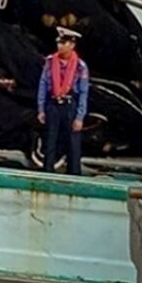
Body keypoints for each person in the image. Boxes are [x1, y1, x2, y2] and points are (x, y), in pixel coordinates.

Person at [38, 27, 90, 176]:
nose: (60, 46)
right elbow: (43, 85)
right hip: (53, 104)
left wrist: (80, 116)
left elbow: (83, 92)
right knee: (50, 141)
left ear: (72, 45)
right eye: (59, 43)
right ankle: (47, 172)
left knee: (73, 143)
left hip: (69, 105)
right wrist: (41, 108)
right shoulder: (49, 62)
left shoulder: (80, 66)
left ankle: (74, 174)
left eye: (64, 43)